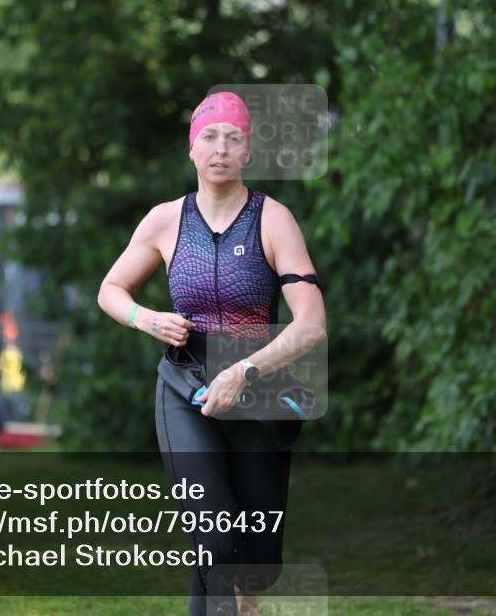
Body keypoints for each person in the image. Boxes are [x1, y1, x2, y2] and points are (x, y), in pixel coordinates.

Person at [98, 91, 326, 615]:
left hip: (259, 388)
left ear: (248, 152)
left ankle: (247, 595)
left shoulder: (273, 220)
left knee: (255, 565)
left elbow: (311, 324)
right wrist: (146, 318)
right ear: (192, 149)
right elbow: (110, 290)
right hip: (186, 388)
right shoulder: (165, 221)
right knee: (216, 542)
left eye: (233, 137)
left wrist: (245, 371)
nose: (220, 148)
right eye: (209, 136)